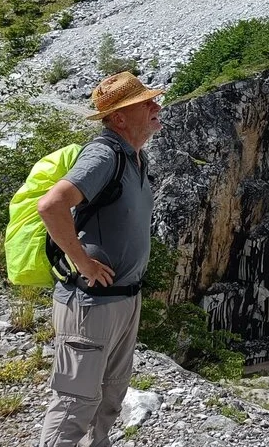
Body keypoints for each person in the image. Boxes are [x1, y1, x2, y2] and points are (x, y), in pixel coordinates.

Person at [37, 71, 163, 447]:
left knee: (110, 399)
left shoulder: (136, 157)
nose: (157, 106)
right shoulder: (104, 154)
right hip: (91, 304)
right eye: (146, 103)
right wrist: (82, 262)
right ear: (120, 118)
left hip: (125, 299)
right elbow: (52, 205)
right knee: (75, 405)